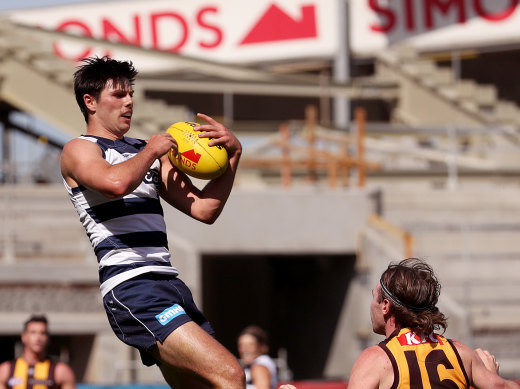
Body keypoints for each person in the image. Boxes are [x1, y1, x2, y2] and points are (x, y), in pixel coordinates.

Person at [60, 56, 244, 389]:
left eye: (130, 93)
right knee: (230, 374)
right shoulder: (79, 149)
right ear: (90, 102)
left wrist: (232, 157)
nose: (129, 101)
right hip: (133, 288)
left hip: (171, 286)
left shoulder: (148, 151)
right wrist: (152, 151)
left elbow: (205, 209)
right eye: (118, 95)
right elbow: (114, 184)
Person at [280, 258, 520, 389]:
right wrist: (489, 376)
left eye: (374, 297)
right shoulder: (460, 352)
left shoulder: (376, 359)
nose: (371, 305)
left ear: (385, 306)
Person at [0, 315, 75, 389]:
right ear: (23, 337)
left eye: (42, 333)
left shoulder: (60, 371)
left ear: (48, 338)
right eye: (33, 332)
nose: (38, 338)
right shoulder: (5, 370)